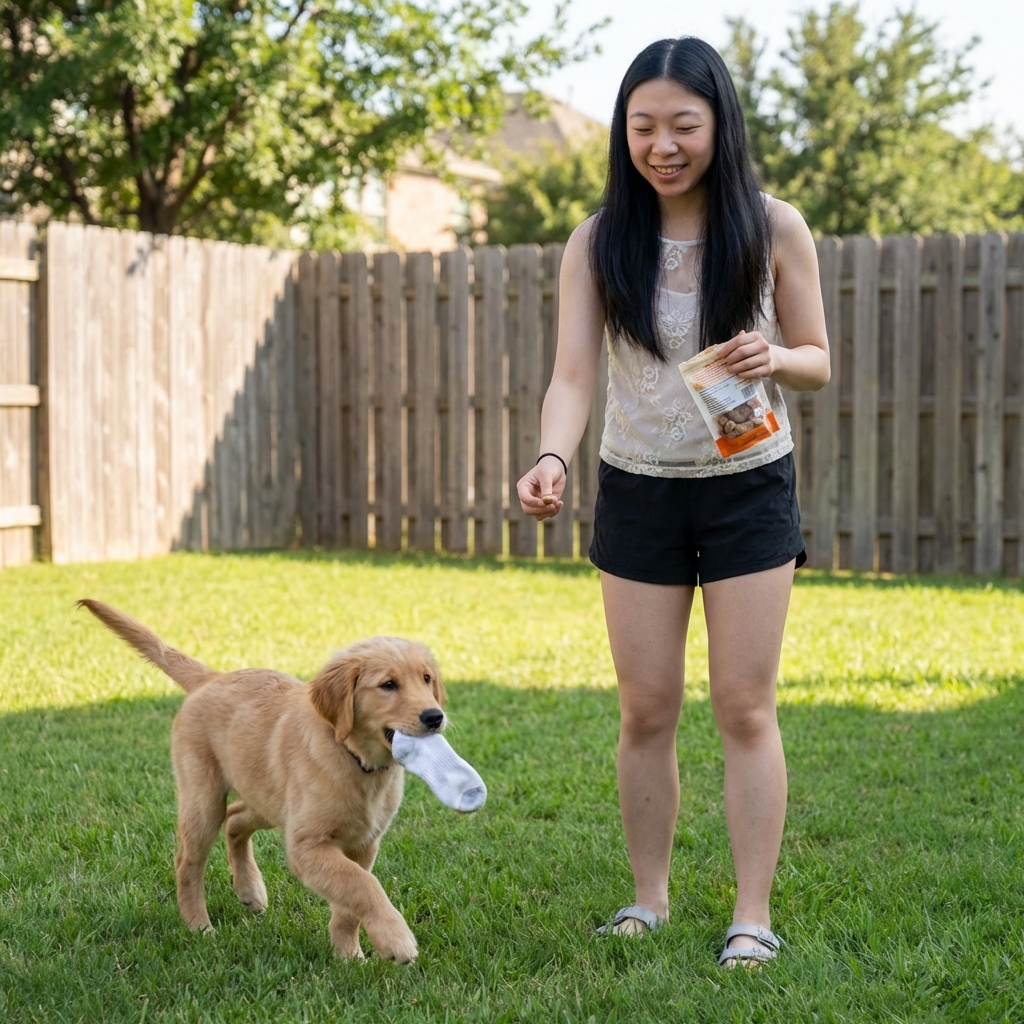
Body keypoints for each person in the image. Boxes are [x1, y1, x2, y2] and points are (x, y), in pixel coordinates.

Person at [515, 36, 830, 968]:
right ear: (624, 131)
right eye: (643, 125)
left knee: (744, 706)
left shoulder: (774, 226)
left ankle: (751, 915)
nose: (662, 144)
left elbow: (818, 359)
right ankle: (647, 899)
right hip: (639, 490)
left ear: (718, 125)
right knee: (645, 708)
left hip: (749, 489)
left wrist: (771, 357)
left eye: (682, 125)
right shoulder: (598, 237)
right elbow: (574, 375)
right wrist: (550, 456)